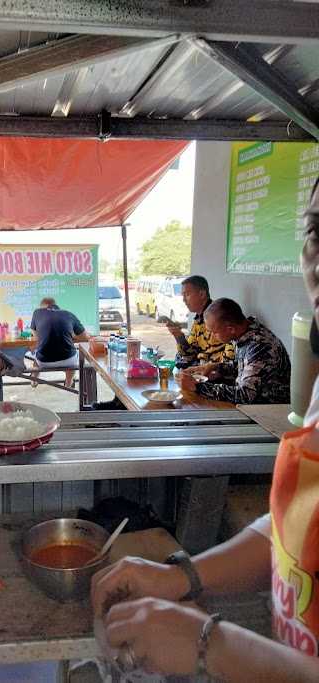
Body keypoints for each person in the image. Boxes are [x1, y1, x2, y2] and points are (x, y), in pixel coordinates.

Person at [90, 179, 319, 683]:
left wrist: (211, 645)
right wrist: (183, 576)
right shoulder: (316, 390)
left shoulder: (259, 344)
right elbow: (296, 525)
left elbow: (249, 395)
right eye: (315, 233)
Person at [179, 297, 290, 404]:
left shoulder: (260, 346)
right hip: (252, 407)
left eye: (214, 332)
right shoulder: (245, 333)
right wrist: (215, 368)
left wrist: (197, 387)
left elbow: (245, 395)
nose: (212, 336)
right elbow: (244, 369)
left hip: (265, 413)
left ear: (230, 329)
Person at [167, 275, 235, 368]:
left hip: (215, 376)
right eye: (183, 295)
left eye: (187, 294)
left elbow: (230, 363)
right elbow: (189, 356)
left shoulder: (219, 316)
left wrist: (207, 369)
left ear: (202, 294)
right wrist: (179, 336)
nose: (184, 300)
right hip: (200, 372)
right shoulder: (198, 319)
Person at [30, 297, 89, 388]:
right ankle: (69, 382)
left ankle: (34, 379)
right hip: (68, 361)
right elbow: (85, 337)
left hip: (43, 361)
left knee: (36, 357)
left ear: (43, 307)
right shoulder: (69, 314)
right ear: (56, 305)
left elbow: (36, 336)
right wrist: (71, 335)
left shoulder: (37, 312)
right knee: (73, 356)